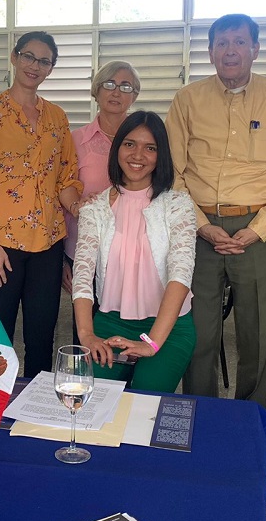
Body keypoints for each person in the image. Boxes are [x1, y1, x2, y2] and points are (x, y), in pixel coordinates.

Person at [166, 13, 266, 415]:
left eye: (240, 42)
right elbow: (173, 175)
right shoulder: (187, 100)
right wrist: (203, 226)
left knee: (257, 337)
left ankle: (250, 430)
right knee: (196, 334)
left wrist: (257, 230)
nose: (231, 50)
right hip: (197, 229)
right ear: (210, 52)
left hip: (259, 230)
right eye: (222, 43)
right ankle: (200, 425)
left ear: (255, 50)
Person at [0, 31, 83, 377]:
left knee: (42, 333)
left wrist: (85, 210)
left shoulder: (57, 118)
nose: (35, 65)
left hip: (47, 243)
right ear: (15, 58)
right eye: (28, 56)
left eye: (44, 61)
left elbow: (65, 180)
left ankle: (35, 409)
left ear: (51, 69)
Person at [72, 111, 197, 393]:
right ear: (118, 149)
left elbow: (181, 273)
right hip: (109, 322)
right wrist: (87, 335)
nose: (137, 155)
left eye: (149, 147)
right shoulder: (95, 208)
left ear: (160, 154)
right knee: (96, 399)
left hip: (168, 327)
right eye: (129, 144)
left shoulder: (178, 205)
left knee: (145, 397)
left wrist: (151, 343)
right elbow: (82, 274)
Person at [62, 61, 141, 303]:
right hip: (85, 249)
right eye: (109, 84)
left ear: (134, 95)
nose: (116, 92)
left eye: (125, 86)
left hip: (134, 251)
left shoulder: (144, 139)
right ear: (96, 91)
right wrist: (64, 259)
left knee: (129, 324)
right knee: (87, 328)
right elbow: (63, 186)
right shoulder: (75, 139)